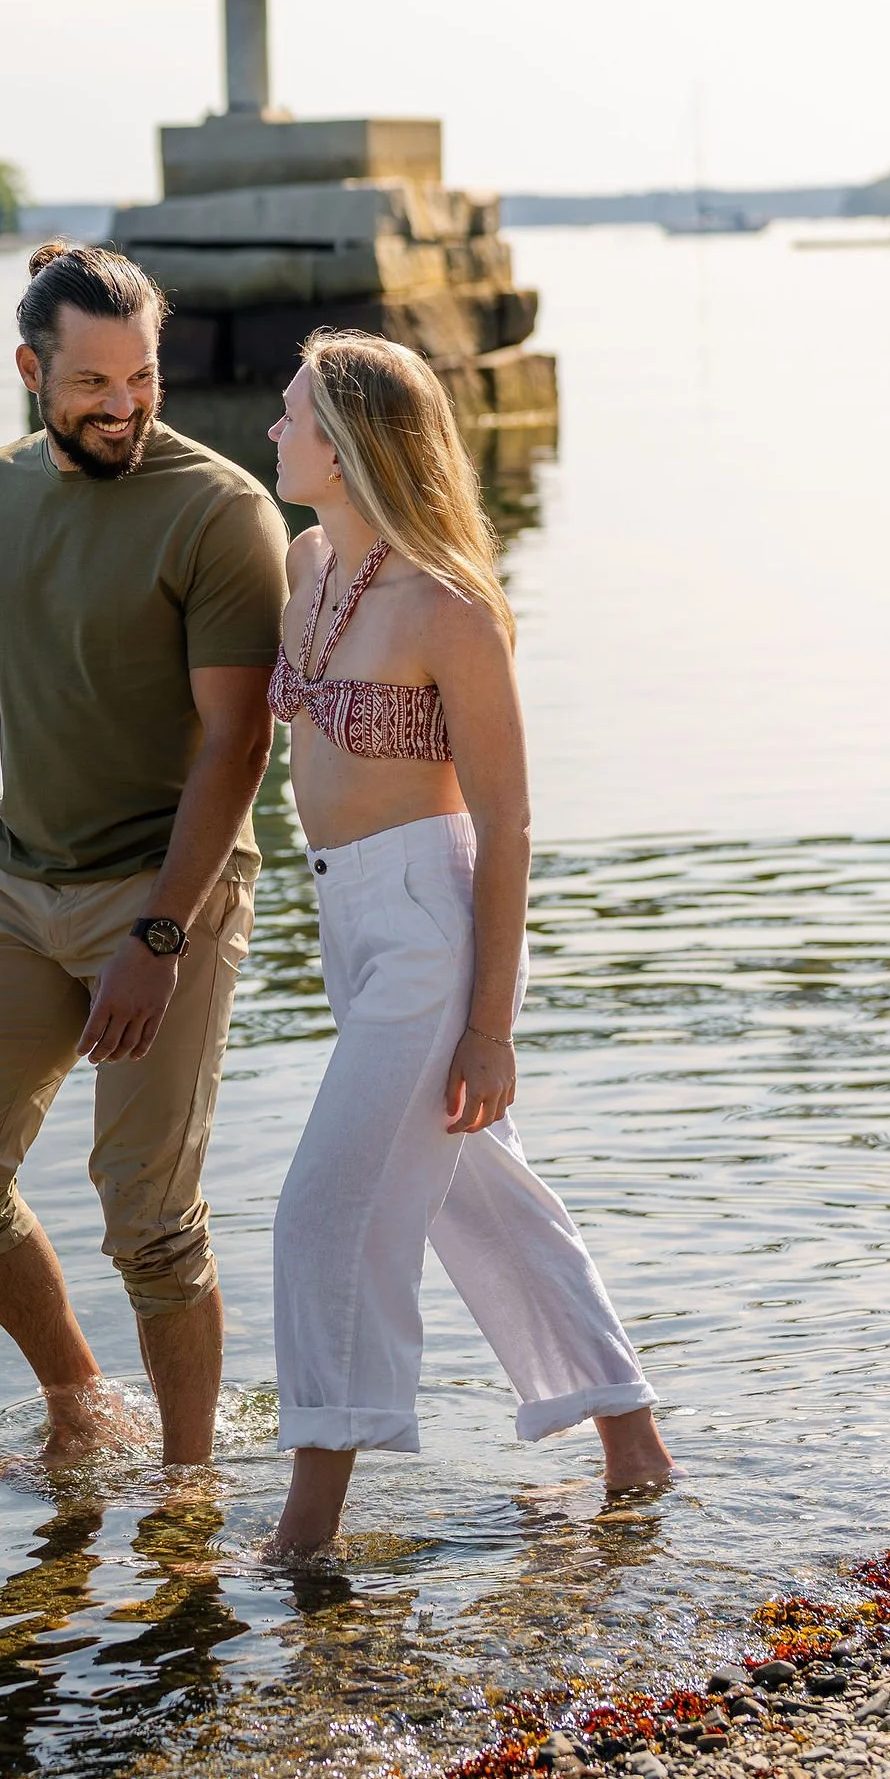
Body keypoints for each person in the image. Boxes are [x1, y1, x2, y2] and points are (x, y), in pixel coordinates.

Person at [0, 241, 288, 1467]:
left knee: (149, 1223)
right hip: (15, 887)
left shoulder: (217, 511)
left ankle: (188, 1486)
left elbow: (236, 743)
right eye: (92, 382)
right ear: (31, 370)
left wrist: (159, 936)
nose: (122, 407)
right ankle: (81, 1400)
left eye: (140, 377)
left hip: (166, 892)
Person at [263, 330, 670, 1555]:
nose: (272, 432)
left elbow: (506, 822)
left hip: (435, 925)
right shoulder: (303, 564)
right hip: (348, 915)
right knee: (478, 1200)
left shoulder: (447, 607)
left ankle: (308, 1522)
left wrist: (489, 1028)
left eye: (290, 417)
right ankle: (630, 1438)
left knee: (321, 1212)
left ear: (342, 445)